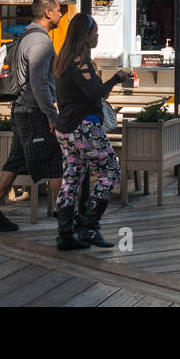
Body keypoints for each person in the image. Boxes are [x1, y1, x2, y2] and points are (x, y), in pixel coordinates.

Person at [0, 0, 68, 232]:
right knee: (55, 162)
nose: (62, 14)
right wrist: (51, 115)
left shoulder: (25, 37)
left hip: (21, 110)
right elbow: (39, 84)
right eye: (59, 10)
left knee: (14, 163)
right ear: (48, 13)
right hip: (34, 112)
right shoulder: (41, 42)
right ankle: (68, 217)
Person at [53, 13, 134, 250]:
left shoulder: (62, 61)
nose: (97, 36)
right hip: (84, 128)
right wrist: (116, 79)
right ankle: (90, 226)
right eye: (95, 32)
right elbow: (95, 93)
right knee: (111, 171)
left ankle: (65, 233)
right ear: (86, 36)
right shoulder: (81, 62)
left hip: (65, 129)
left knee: (71, 178)